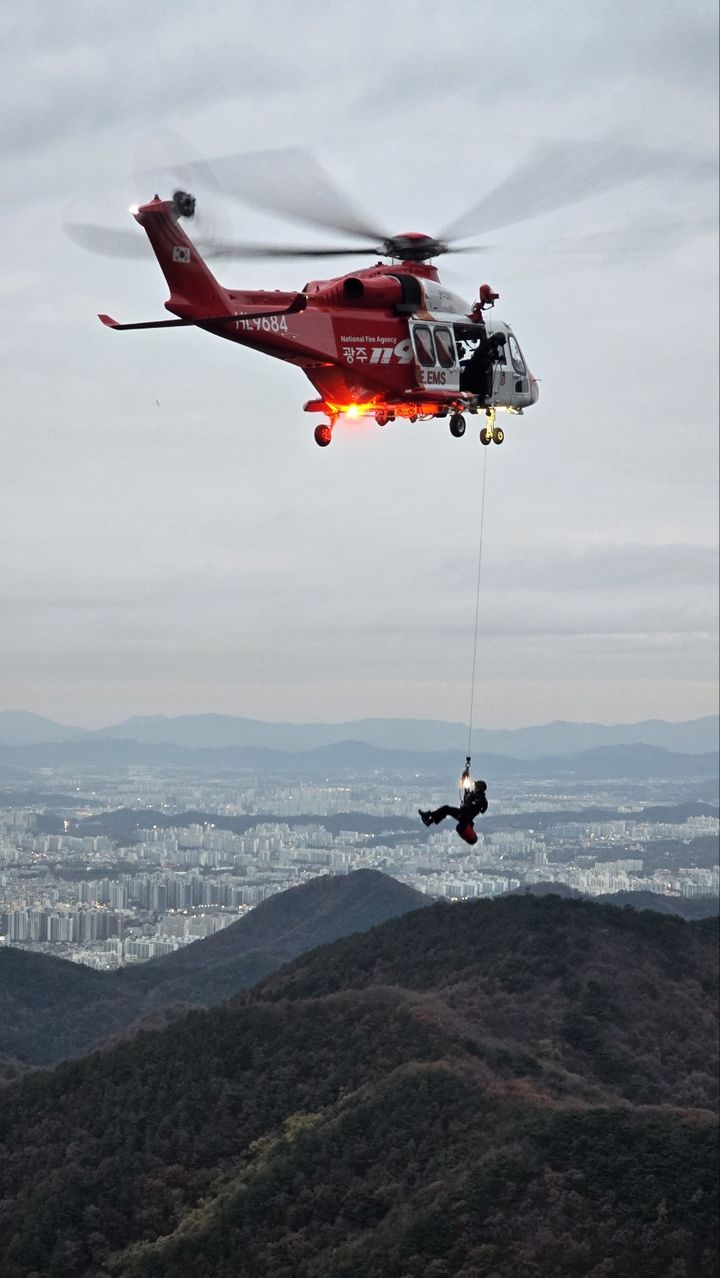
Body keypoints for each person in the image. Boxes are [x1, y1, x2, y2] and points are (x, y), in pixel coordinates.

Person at [418, 779, 488, 846]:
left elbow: (473, 806)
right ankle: (429, 820)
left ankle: (428, 817)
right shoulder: (475, 796)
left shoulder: (482, 800)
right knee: (446, 810)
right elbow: (468, 802)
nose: (474, 788)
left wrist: (469, 797)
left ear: (479, 789)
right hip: (463, 814)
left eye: (476, 787)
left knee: (446, 809)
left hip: (465, 817)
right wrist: (468, 794)